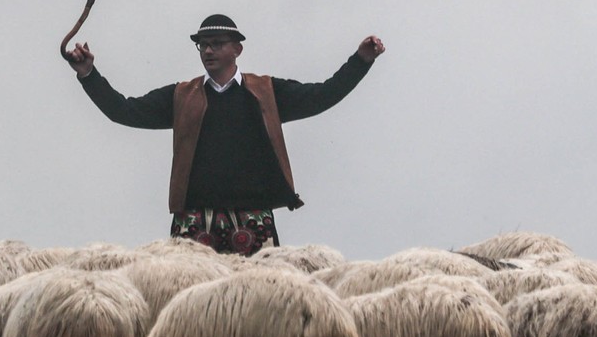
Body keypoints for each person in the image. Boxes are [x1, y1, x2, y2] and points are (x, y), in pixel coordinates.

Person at [67, 13, 385, 255]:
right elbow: (124, 111)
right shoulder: (181, 96)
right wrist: (88, 74)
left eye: (216, 44)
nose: (208, 51)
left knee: (262, 307)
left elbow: (323, 95)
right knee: (189, 309)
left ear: (237, 49)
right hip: (194, 218)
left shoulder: (267, 92)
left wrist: (361, 61)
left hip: (253, 217)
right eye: (203, 45)